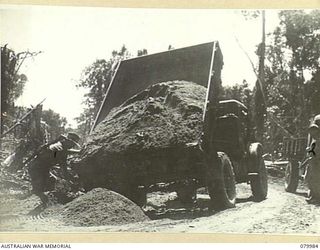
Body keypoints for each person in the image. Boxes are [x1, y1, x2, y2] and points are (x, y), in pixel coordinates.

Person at [28, 132, 80, 206]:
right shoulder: (61, 150)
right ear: (69, 142)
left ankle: (44, 202)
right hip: (37, 169)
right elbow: (64, 168)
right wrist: (69, 181)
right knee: (41, 188)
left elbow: (67, 152)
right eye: (73, 144)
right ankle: (44, 203)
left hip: (37, 167)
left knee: (49, 183)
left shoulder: (58, 145)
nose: (73, 146)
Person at [305, 114, 320, 204]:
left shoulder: (317, 118)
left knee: (313, 177)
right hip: (316, 156)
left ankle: (314, 197)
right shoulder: (317, 118)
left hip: (315, 157)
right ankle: (314, 196)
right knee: (313, 176)